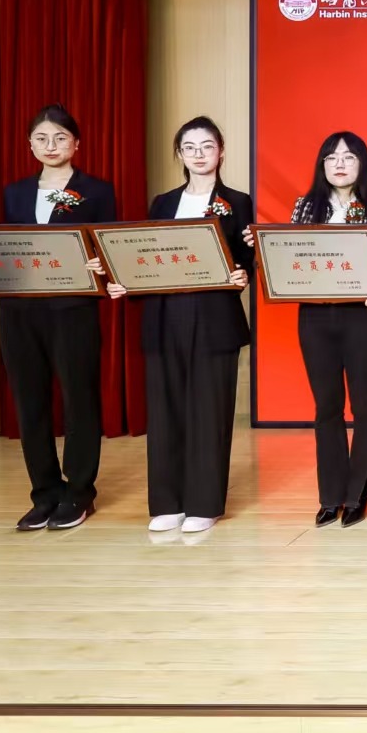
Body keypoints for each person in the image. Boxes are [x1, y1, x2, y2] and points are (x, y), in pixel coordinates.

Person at [0, 104, 116, 531]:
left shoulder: (97, 191)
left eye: (60, 138)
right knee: (29, 402)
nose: (50, 145)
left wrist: (100, 263)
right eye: (41, 139)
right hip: (19, 311)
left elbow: (109, 246)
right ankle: (44, 492)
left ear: (76, 143)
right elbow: (9, 247)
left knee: (79, 399)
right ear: (30, 145)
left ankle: (79, 492)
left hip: (73, 310)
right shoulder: (15, 192)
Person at [108, 116, 253, 536]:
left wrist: (243, 273)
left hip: (213, 317)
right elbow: (147, 256)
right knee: (165, 409)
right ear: (180, 154)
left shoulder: (238, 201)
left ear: (221, 152)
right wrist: (126, 281)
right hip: (163, 315)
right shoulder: (162, 202)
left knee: (209, 411)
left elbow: (247, 258)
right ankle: (167, 502)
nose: (198, 154)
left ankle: (205, 503)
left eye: (207, 146)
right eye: (189, 147)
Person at [281, 132, 367, 528]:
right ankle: (330, 495)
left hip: (363, 316)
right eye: (332, 157)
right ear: (322, 164)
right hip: (315, 317)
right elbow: (291, 255)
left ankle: (359, 492)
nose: (339, 164)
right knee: (326, 406)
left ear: (362, 164)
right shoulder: (305, 206)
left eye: (349, 157)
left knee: (364, 403)